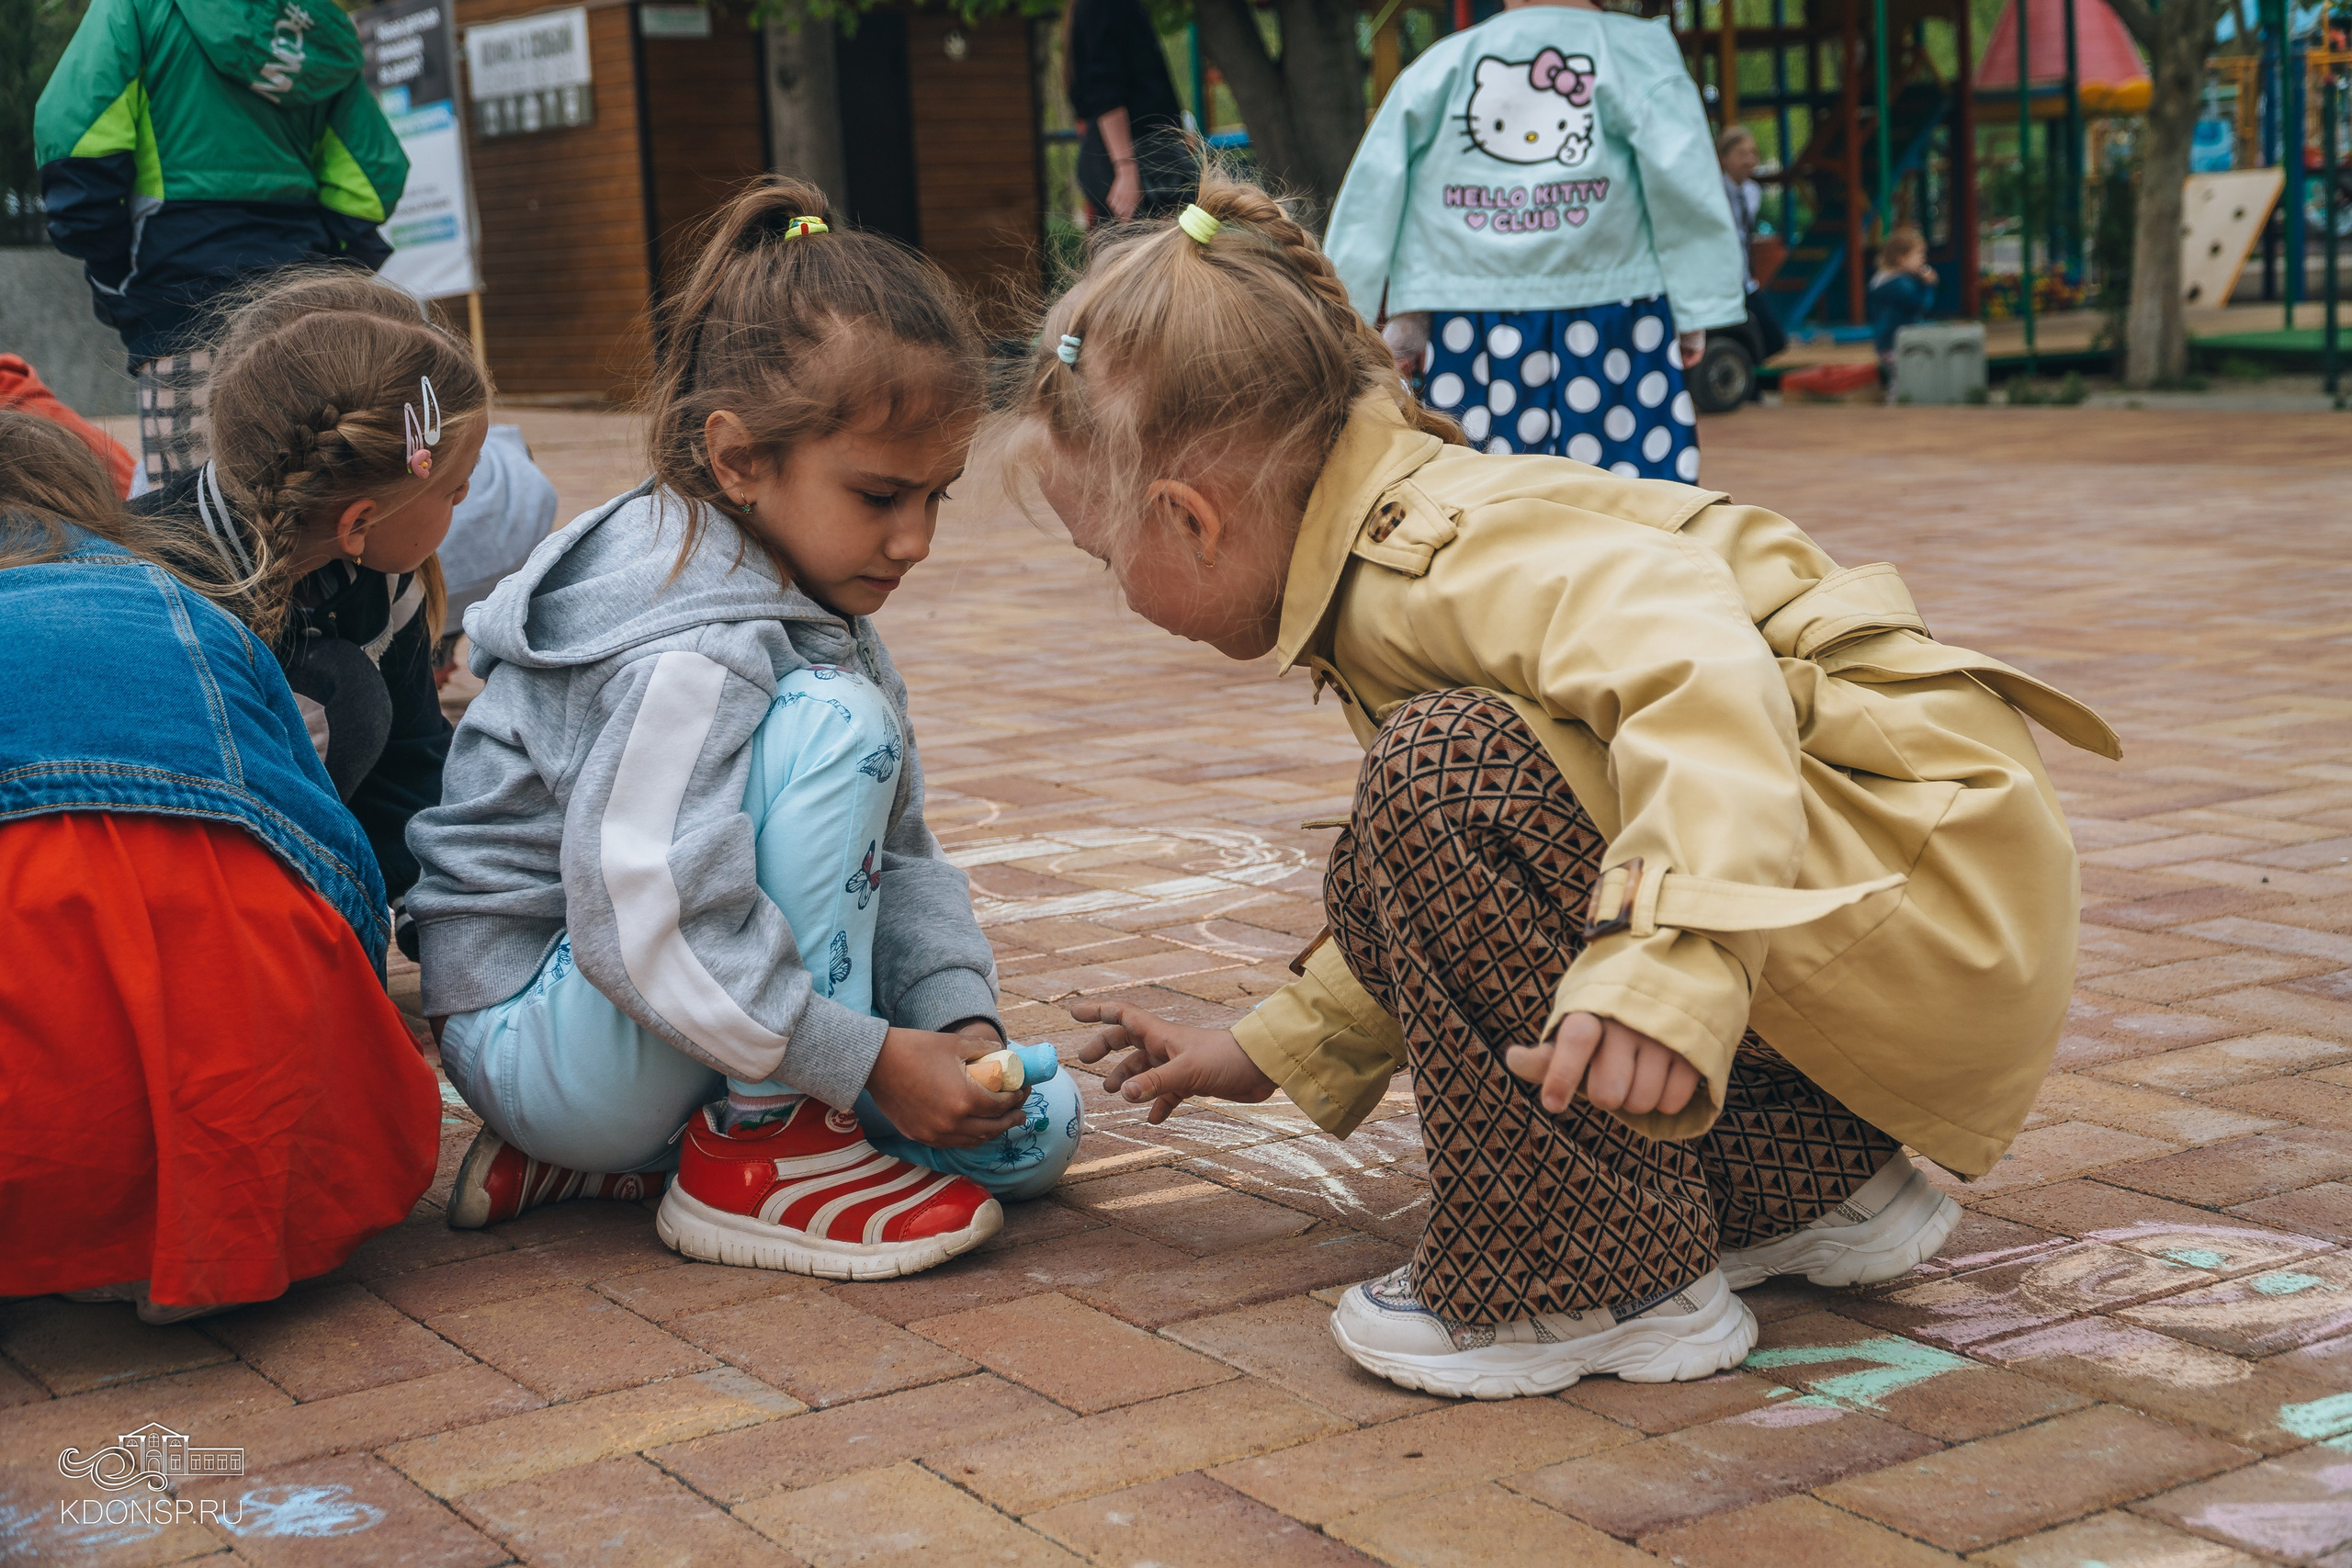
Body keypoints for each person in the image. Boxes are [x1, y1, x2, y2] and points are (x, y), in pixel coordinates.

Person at [994, 172, 2117, 1398]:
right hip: (1892, 894)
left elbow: (1699, 675)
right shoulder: (1376, 548)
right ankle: (1810, 1180)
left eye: (1105, 553)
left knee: (1441, 773)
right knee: (1429, 796)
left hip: (1921, 902)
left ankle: (1587, 1275)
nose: (1115, 586)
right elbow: (1470, 879)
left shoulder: (1432, 561)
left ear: (1190, 517)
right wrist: (1264, 1047)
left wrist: (1665, 967)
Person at [405, 179, 1081, 1277]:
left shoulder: (809, 589)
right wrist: (860, 1062)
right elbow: (644, 915)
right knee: (830, 728)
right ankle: (768, 1152)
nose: (912, 540)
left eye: (936, 497)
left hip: (632, 1027)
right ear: (736, 460)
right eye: (878, 495)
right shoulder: (695, 638)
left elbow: (897, 856)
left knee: (1033, 1134)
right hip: (540, 1031)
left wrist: (958, 1027)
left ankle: (639, 1156)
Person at [0, 411, 439, 1325]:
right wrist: (349, 1005)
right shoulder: (186, 608)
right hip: (256, 1069)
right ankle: (186, 1225)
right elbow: (325, 840)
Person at [131, 270, 487, 901]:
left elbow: (413, 772)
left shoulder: (380, 583)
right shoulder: (147, 589)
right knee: (343, 692)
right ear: (359, 521)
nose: (464, 499)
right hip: (134, 873)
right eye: (454, 489)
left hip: (252, 882)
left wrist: (447, 932)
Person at [1323, 0, 1744, 478]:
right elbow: (1682, 184)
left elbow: (1372, 196)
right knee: (1631, 499)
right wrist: (1698, 305)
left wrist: (1346, 310)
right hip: (1616, 316)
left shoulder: (1441, 67)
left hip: (1469, 323)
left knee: (1483, 496)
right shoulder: (1634, 53)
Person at [35, 0, 409, 490]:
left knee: (195, 531)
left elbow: (76, 137)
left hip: (182, 301)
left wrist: (115, 272)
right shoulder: (319, 25)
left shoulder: (138, 9)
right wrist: (328, 275)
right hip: (307, 317)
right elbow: (372, 177)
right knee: (314, 514)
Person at [1060, 0, 1193, 222]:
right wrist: (1125, 168)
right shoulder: (1103, 6)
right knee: (1154, 249)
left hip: (1133, 155)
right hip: (1133, 157)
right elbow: (1104, 92)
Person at [1715, 124, 1788, 369]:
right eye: (1741, 153)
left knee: (1774, 338)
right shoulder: (1713, 191)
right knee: (1738, 335)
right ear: (1723, 157)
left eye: (1752, 153)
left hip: (1745, 278)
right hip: (1721, 278)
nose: (1749, 160)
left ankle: (1747, 377)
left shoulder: (1752, 192)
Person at [1869, 228, 1939, 397]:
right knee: (1903, 381)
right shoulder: (1899, 284)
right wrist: (1929, 285)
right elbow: (1920, 304)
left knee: (1901, 379)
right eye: (1918, 254)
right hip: (1896, 342)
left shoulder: (1884, 281)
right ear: (1901, 258)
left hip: (1888, 341)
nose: (1924, 259)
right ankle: (1896, 411)